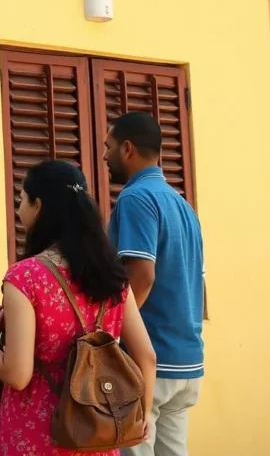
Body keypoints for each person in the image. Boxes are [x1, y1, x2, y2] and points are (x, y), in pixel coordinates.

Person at [0, 160, 157, 456]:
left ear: (38, 205)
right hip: (98, 433)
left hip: (37, 434)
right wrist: (143, 414)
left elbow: (18, 375)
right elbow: (147, 357)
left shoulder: (25, 277)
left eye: (22, 200)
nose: (19, 210)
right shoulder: (112, 276)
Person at [103, 112, 205, 456]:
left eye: (108, 147)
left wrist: (112, 330)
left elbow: (142, 275)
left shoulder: (135, 198)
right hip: (186, 360)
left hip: (149, 361)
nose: (104, 156)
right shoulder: (182, 206)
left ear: (127, 149)